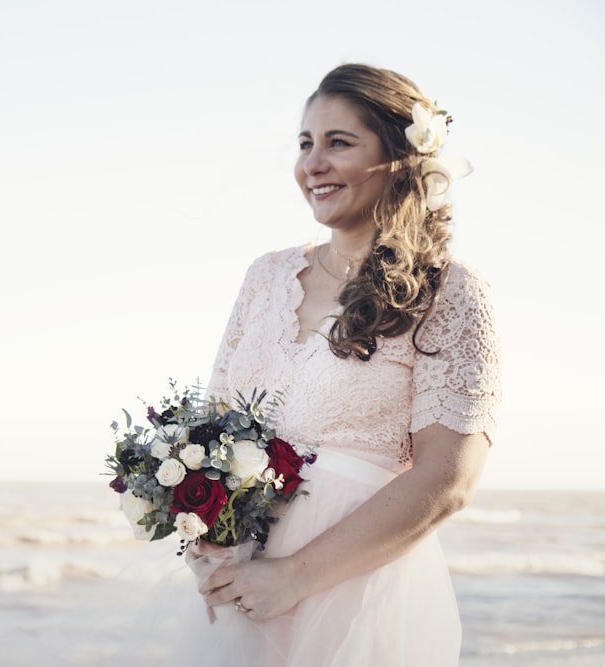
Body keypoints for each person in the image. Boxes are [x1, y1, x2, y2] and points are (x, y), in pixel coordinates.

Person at [175, 63, 502, 666]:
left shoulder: (449, 291)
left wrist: (294, 577)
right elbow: (209, 432)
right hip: (243, 584)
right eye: (305, 144)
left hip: (354, 595)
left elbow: (449, 479)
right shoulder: (265, 276)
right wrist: (207, 541)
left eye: (339, 143)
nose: (312, 165)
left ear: (400, 156)